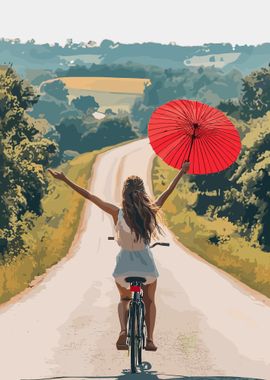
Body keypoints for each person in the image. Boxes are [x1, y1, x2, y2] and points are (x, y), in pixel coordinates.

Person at [47, 160, 190, 352]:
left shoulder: (117, 213)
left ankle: (123, 331)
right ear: (143, 192)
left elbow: (90, 196)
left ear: (124, 193)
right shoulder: (149, 211)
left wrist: (65, 179)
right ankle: (150, 340)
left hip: (123, 267)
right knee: (149, 301)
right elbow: (167, 193)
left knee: (125, 299)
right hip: (145, 266)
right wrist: (181, 172)